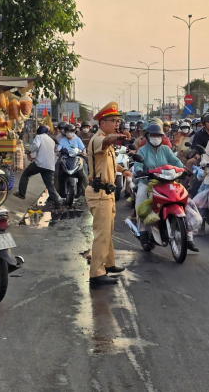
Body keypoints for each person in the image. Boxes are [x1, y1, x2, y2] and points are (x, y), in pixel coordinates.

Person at [85, 102, 132, 285]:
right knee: (102, 234)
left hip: (108, 192)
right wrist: (118, 136)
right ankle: (96, 273)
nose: (116, 124)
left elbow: (110, 164)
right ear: (102, 122)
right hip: (99, 192)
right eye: (113, 121)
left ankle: (108, 263)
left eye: (118, 121)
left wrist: (123, 170)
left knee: (108, 231)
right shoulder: (99, 139)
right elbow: (105, 142)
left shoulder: (108, 141)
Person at [133, 123, 198, 252]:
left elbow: (176, 161)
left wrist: (184, 169)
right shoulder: (142, 150)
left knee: (186, 199)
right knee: (140, 198)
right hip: (148, 182)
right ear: (147, 136)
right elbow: (137, 165)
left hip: (167, 182)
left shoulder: (166, 149)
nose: (156, 138)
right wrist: (140, 171)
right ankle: (143, 232)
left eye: (159, 135)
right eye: (153, 135)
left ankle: (189, 236)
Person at [15, 125, 62, 207]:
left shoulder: (39, 137)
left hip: (40, 164)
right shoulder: (51, 140)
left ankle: (21, 194)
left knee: (25, 174)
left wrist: (30, 151)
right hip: (50, 166)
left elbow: (36, 146)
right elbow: (55, 151)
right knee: (49, 184)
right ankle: (57, 202)